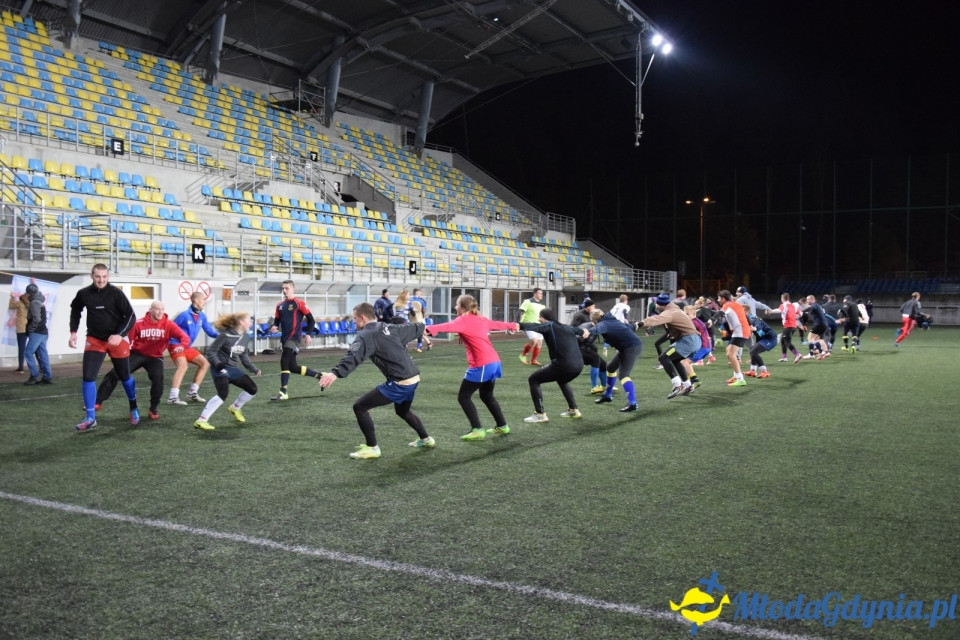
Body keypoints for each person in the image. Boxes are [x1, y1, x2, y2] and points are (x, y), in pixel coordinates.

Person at [319, 302, 434, 459]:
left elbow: (354, 356)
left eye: (354, 319)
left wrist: (335, 374)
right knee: (402, 411)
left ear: (363, 318)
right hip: (413, 377)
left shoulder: (367, 334)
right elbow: (415, 329)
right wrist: (421, 325)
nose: (354, 322)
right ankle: (426, 439)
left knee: (359, 407)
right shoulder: (387, 327)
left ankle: (372, 448)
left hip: (400, 382)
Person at [425, 294, 518, 440]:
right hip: (494, 362)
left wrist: (428, 329)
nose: (455, 307)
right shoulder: (481, 319)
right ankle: (502, 426)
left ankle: (477, 429)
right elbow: (497, 324)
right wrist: (512, 325)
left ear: (462, 307)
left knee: (464, 396)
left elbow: (446, 326)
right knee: (487, 396)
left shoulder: (463, 320)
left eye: (457, 305)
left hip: (482, 364)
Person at [69, 263, 138, 432]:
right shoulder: (84, 293)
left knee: (125, 376)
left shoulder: (116, 294)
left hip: (116, 339)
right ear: (92, 276)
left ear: (108, 277)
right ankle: (91, 418)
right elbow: (75, 310)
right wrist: (73, 332)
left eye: (104, 277)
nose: (101, 280)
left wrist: (119, 335)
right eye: (98, 276)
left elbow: (131, 316)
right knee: (88, 377)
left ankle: (133, 407)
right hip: (95, 340)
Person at [97, 300, 191, 420]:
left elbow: (184, 337)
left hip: (155, 357)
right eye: (157, 309)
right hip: (137, 354)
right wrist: (121, 352)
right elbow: (128, 339)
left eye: (162, 309)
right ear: (150, 310)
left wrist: (181, 345)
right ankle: (98, 401)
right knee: (115, 373)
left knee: (158, 380)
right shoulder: (139, 323)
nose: (160, 312)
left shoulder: (169, 324)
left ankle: (153, 409)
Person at [193, 312, 262, 431]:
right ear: (241, 322)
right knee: (223, 394)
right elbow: (211, 352)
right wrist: (218, 364)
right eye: (249, 321)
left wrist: (253, 369)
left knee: (252, 389)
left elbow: (243, 355)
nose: (251, 323)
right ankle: (201, 420)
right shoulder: (225, 336)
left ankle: (235, 408)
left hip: (233, 369)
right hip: (220, 368)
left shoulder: (245, 336)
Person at [519, 307, 584, 423]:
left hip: (564, 365)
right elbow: (582, 332)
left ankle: (539, 414)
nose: (539, 319)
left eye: (540, 317)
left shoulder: (549, 325)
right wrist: (586, 332)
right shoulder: (567, 327)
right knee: (562, 380)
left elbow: (532, 326)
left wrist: (515, 325)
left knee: (533, 379)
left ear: (544, 318)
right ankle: (573, 410)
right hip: (579, 365)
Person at [641, 293, 702, 397]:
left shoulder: (670, 312)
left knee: (663, 357)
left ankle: (678, 385)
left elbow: (656, 319)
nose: (656, 306)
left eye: (657, 304)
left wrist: (640, 323)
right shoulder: (674, 310)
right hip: (692, 340)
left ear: (662, 305)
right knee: (675, 359)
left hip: (688, 341)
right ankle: (688, 386)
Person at [270, 280, 321, 401]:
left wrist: (308, 334)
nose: (284, 290)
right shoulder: (279, 305)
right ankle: (318, 375)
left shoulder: (299, 303)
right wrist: (275, 326)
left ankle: (283, 392)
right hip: (285, 338)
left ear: (293, 289)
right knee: (292, 367)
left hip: (294, 337)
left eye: (287, 288)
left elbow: (311, 320)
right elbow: (277, 320)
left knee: (284, 360)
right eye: (283, 288)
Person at [585, 308, 642, 412]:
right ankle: (608, 396)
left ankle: (633, 403)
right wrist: (637, 325)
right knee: (610, 367)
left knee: (624, 375)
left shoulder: (603, 324)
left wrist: (586, 331)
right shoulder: (612, 320)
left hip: (631, 347)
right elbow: (626, 327)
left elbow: (596, 330)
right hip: (626, 347)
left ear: (594, 321)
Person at [167, 291, 218, 405]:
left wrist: (223, 335)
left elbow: (210, 332)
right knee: (183, 366)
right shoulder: (184, 315)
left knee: (205, 364)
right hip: (176, 345)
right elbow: (170, 329)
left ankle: (192, 393)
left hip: (187, 347)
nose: (205, 302)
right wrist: (170, 344)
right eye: (203, 299)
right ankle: (173, 397)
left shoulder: (202, 316)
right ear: (196, 300)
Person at [717, 289, 751, 387]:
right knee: (729, 352)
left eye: (719, 298)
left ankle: (740, 379)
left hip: (740, 331)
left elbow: (720, 313)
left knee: (730, 354)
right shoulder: (735, 305)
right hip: (740, 331)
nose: (718, 300)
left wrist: (711, 319)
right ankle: (737, 376)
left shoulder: (727, 305)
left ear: (723, 298)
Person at [22, 283, 53, 385]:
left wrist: (30, 329)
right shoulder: (40, 300)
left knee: (28, 353)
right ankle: (47, 376)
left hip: (37, 332)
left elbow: (36, 318)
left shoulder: (34, 302)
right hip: (43, 332)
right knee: (42, 354)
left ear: (30, 293)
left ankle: (34, 376)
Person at [768, 293, 803, 364]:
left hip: (788, 325)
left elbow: (779, 310)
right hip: (794, 326)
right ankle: (784, 357)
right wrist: (798, 316)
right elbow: (801, 312)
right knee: (783, 340)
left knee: (787, 342)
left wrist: (770, 311)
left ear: (783, 298)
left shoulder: (784, 305)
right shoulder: (793, 305)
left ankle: (797, 354)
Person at [517, 288, 545, 365]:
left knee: (539, 342)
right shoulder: (528, 301)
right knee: (534, 340)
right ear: (535, 294)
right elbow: (520, 311)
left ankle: (533, 360)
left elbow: (542, 316)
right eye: (540, 293)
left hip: (538, 325)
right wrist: (517, 323)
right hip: (527, 324)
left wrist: (543, 320)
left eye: (542, 294)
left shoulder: (542, 305)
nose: (541, 295)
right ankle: (523, 355)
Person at [745, 314, 778, 378]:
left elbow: (758, 325)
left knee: (753, 352)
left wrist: (755, 328)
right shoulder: (749, 319)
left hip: (770, 339)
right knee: (752, 351)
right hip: (763, 339)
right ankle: (753, 371)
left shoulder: (752, 319)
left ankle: (764, 371)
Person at [9, 290, 28, 373]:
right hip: (29, 327)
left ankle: (21, 367)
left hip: (21, 328)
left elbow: (10, 306)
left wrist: (13, 297)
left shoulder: (20, 304)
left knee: (21, 348)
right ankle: (41, 367)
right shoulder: (30, 305)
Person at [411, 288, 432, 352]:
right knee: (421, 332)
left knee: (420, 332)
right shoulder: (421, 301)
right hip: (419, 318)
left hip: (415, 319)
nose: (421, 295)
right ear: (417, 293)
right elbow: (424, 310)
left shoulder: (411, 300)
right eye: (420, 294)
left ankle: (420, 346)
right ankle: (428, 343)